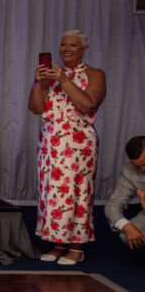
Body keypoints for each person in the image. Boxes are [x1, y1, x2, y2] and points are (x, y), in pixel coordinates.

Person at [28, 30, 106, 265]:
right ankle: (58, 243)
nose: (66, 49)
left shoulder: (95, 74)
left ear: (84, 49)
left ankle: (76, 246)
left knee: (77, 193)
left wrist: (64, 80)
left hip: (79, 142)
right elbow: (36, 109)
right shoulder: (50, 75)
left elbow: (88, 104)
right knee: (52, 194)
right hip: (51, 142)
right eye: (63, 44)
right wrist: (38, 83)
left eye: (73, 45)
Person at [105, 135, 145, 250]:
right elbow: (113, 205)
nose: (142, 170)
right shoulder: (129, 172)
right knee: (126, 234)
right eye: (137, 166)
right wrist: (127, 226)